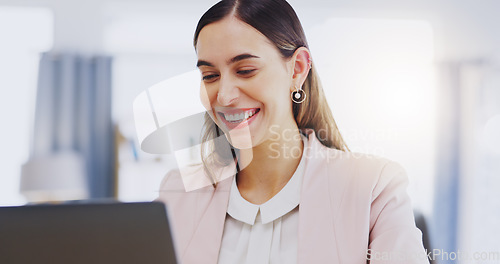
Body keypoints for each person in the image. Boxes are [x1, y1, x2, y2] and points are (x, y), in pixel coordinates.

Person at [156, 0, 429, 263]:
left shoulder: (374, 189)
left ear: (297, 69)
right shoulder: (177, 193)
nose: (225, 96)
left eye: (246, 70)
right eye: (210, 76)